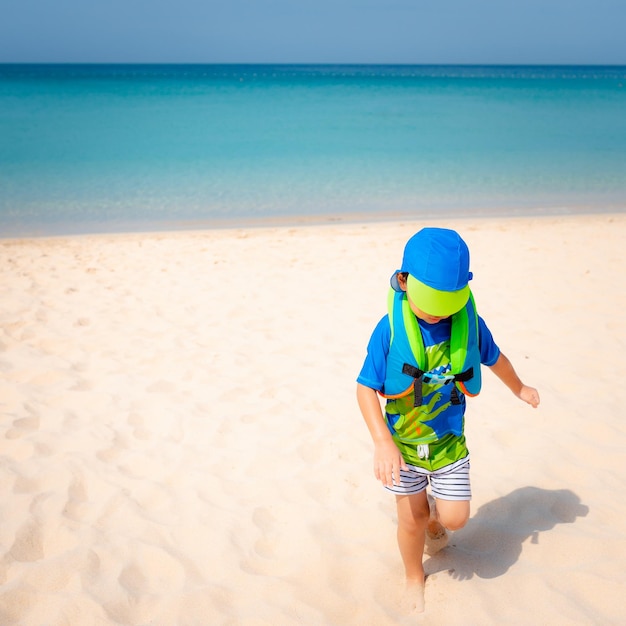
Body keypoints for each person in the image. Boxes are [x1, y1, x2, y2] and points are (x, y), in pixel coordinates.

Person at [356, 227, 539, 611]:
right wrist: (381, 441)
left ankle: (437, 514)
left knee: (453, 520)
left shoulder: (468, 323)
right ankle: (412, 576)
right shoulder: (390, 328)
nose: (439, 310)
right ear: (404, 281)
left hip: (448, 446)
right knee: (412, 520)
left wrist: (519, 387)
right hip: (403, 448)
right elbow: (364, 388)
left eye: (448, 300)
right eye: (431, 300)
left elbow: (495, 359)